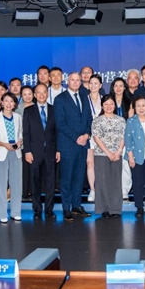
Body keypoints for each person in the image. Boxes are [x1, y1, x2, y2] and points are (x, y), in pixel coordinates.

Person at [54, 72, 93, 221]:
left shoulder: (84, 96)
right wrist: (76, 138)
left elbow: (89, 119)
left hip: (83, 144)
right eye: (73, 80)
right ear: (67, 81)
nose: (76, 82)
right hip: (68, 145)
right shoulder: (60, 99)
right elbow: (60, 123)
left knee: (79, 177)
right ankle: (66, 208)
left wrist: (87, 134)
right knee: (67, 178)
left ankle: (76, 206)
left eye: (78, 80)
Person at [23, 84, 59, 220]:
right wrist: (27, 151)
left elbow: (57, 132)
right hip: (34, 151)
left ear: (47, 94)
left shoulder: (54, 109)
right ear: (35, 95)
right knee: (35, 181)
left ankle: (49, 209)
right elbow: (26, 133)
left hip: (51, 151)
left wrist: (58, 150)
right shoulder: (28, 111)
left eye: (44, 92)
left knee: (50, 182)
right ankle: (37, 209)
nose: (42, 94)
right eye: (39, 92)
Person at [0, 93, 24, 223]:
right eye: (6, 101)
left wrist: (20, 142)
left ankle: (16, 212)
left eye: (12, 101)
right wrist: (4, 144)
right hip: (1, 152)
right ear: (2, 103)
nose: (9, 104)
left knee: (16, 183)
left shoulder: (18, 117)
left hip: (16, 152)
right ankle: (2, 213)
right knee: (1, 184)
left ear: (15, 104)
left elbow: (21, 133)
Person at [92, 94, 126, 218]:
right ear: (102, 106)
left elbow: (124, 136)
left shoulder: (121, 120)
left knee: (116, 182)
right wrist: (108, 153)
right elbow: (96, 138)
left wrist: (118, 151)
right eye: (106, 104)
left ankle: (115, 209)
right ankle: (104, 209)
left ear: (115, 105)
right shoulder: (97, 120)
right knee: (102, 182)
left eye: (111, 104)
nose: (109, 106)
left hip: (117, 154)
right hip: (101, 154)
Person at [109, 77, 133, 202]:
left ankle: (124, 190)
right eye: (116, 85)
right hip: (110, 139)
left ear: (124, 88)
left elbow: (131, 122)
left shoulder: (129, 102)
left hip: (125, 138)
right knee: (111, 165)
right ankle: (113, 190)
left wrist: (125, 138)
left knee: (125, 165)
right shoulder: (108, 101)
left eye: (121, 86)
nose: (118, 88)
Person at [86, 74, 103, 202]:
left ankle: (102, 189)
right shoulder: (84, 100)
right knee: (90, 163)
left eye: (96, 83)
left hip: (103, 137)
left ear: (100, 85)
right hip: (89, 136)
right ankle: (92, 190)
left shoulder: (105, 100)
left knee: (102, 164)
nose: (93, 86)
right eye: (91, 83)